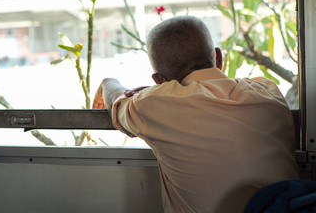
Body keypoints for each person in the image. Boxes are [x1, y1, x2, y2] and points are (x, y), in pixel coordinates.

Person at [92, 15, 299, 213]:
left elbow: (117, 104)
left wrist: (107, 82)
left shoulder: (155, 104)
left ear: (159, 79)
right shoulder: (267, 90)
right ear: (219, 58)